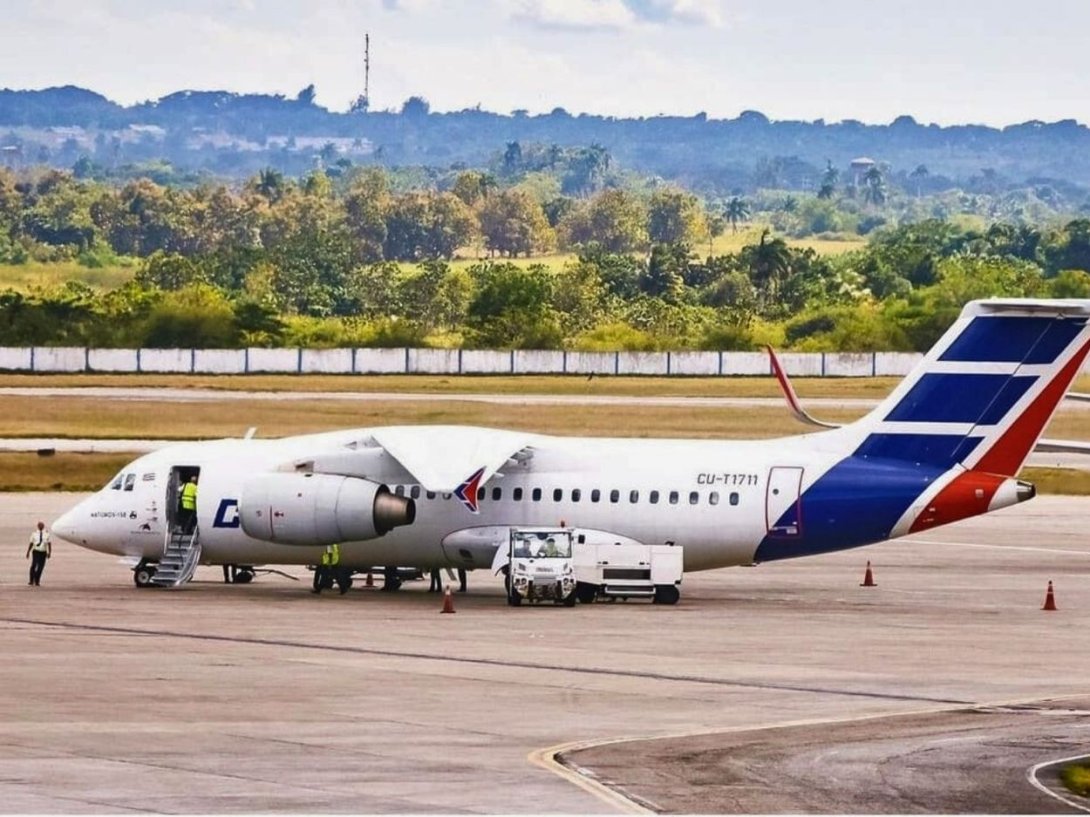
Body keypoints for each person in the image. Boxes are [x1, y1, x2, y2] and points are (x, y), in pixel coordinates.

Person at [26, 521, 51, 586]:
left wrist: (49, 552)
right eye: (39, 525)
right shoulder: (34, 534)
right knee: (34, 565)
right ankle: (31, 580)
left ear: (43, 526)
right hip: (36, 551)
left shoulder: (47, 534)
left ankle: (37, 580)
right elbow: (31, 543)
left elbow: (49, 544)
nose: (40, 527)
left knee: (40, 567)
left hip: (43, 552)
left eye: (41, 525)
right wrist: (28, 551)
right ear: (37, 526)